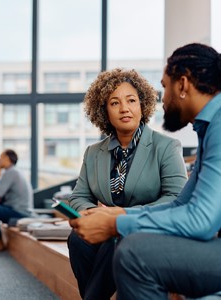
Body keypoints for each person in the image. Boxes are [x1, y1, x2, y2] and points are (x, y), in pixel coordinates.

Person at [70, 43, 221, 299]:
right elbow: (182, 204)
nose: (162, 99)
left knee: (134, 252)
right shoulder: (217, 125)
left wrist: (118, 222)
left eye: (165, 87)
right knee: (130, 243)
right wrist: (120, 215)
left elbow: (201, 221)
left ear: (183, 85)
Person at [68, 68, 187, 299]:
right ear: (104, 111)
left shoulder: (166, 146)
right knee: (78, 238)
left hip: (149, 228)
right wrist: (93, 214)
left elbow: (176, 198)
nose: (124, 108)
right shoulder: (93, 153)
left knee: (117, 236)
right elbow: (78, 197)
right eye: (114, 103)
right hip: (110, 231)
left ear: (142, 105)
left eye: (131, 100)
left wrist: (123, 216)